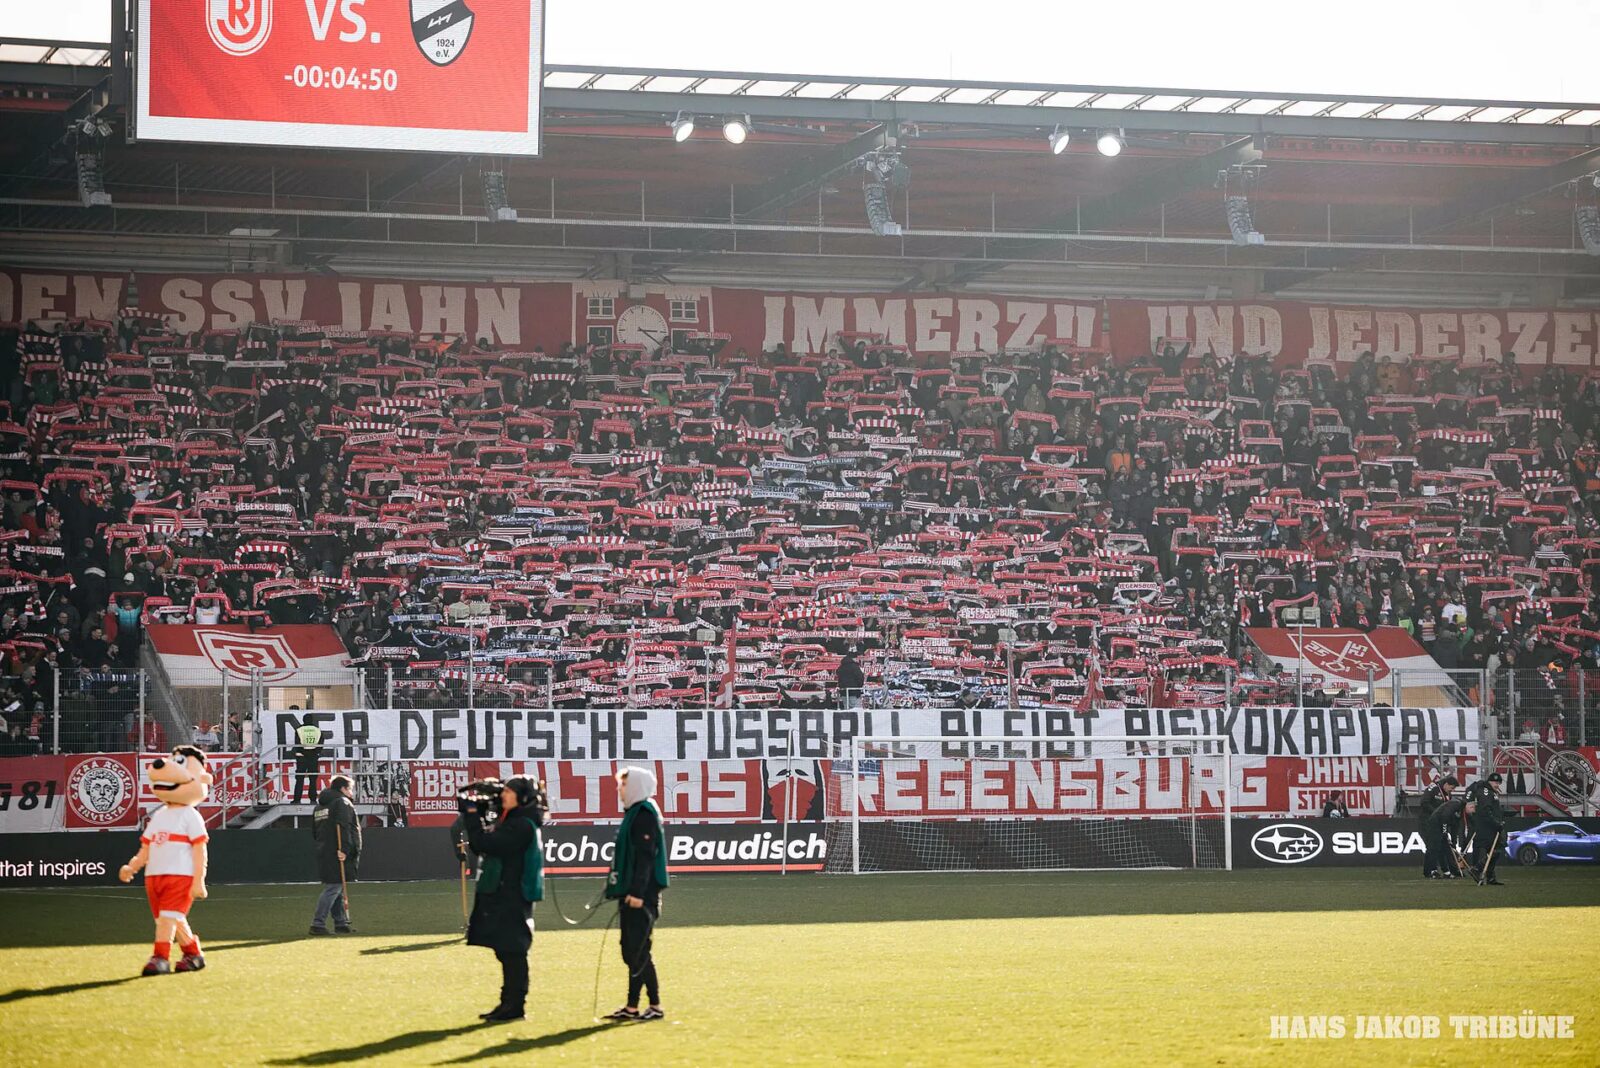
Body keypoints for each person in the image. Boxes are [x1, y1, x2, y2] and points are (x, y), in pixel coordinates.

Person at [461, 777, 545, 1023]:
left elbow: (484, 843)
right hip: (505, 892)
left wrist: (472, 815)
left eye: (508, 791)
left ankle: (515, 1005)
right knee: (505, 950)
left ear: (523, 798)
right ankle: (508, 1002)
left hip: (513, 894)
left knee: (512, 950)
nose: (502, 796)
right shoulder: (515, 820)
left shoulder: (522, 825)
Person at [602, 765, 670, 1023]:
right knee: (631, 951)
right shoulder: (635, 813)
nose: (619, 789)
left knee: (638, 951)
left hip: (642, 896)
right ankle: (632, 1007)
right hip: (632, 894)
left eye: (623, 784)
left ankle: (655, 1005)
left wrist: (638, 892)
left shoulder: (643, 815)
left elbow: (645, 857)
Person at [309, 774, 359, 934]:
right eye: (350, 789)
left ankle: (340, 922)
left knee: (337, 887)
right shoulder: (342, 803)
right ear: (343, 789)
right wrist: (344, 850)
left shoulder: (319, 807)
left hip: (324, 850)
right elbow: (344, 827)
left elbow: (315, 831)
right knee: (334, 887)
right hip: (337, 851)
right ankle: (318, 924)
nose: (351, 792)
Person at [1417, 774, 1458, 879]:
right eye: (1451, 788)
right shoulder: (1433, 788)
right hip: (1427, 822)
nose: (1452, 790)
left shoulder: (1448, 795)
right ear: (1446, 784)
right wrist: (1436, 813)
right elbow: (1424, 802)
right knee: (1432, 846)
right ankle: (1431, 870)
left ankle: (1446, 871)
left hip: (1438, 823)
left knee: (1443, 846)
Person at [1469, 773, 1507, 885]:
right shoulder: (1485, 791)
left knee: (1495, 850)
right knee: (1494, 850)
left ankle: (1490, 876)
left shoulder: (1491, 792)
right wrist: (1496, 823)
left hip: (1492, 826)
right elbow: (1486, 810)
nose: (1497, 784)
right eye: (1495, 782)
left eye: (1499, 783)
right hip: (1487, 827)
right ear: (1489, 781)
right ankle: (1478, 868)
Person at [1424, 791, 1469, 879]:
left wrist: (1453, 841)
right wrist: (1445, 832)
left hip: (1442, 826)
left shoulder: (1462, 812)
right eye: (1472, 807)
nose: (1473, 810)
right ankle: (1430, 871)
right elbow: (1444, 816)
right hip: (1435, 824)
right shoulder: (1456, 804)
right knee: (1434, 848)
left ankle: (1451, 871)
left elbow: (1455, 827)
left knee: (1448, 848)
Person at [290, 721, 325, 804]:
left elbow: (297, 744)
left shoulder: (299, 730)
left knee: (299, 778)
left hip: (302, 757)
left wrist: (304, 752)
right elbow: (321, 743)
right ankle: (313, 799)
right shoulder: (317, 730)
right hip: (313, 757)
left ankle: (297, 799)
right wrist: (314, 752)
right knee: (313, 779)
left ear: (304, 720)